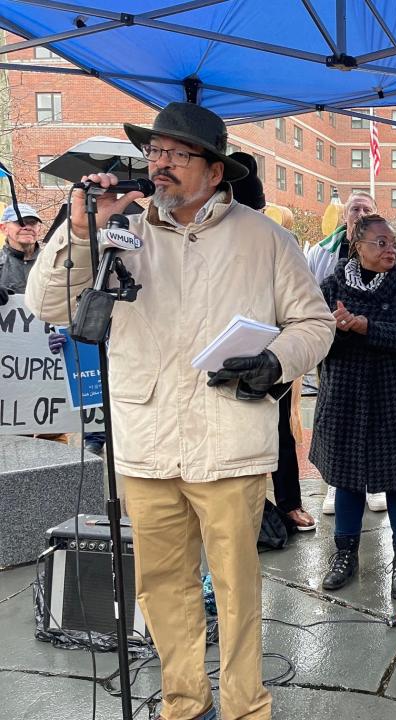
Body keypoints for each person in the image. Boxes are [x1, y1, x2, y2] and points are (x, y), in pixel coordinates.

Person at [26, 101, 336, 720]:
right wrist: (84, 231)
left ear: (215, 171)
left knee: (237, 588)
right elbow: (49, 305)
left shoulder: (266, 239)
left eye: (175, 154)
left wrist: (276, 360)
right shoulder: (122, 232)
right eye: (155, 153)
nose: (159, 164)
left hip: (228, 442)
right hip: (145, 442)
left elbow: (315, 323)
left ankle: (246, 706)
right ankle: (184, 704)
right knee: (162, 587)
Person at [309, 214, 396, 600]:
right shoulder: (331, 287)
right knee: (346, 481)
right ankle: (345, 555)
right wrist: (339, 330)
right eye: (381, 242)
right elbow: (316, 341)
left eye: (393, 242)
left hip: (394, 401)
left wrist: (367, 327)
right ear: (357, 245)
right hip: (344, 398)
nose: (390, 249)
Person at [229, 151, 316, 533]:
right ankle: (246, 509)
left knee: (280, 430)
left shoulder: (277, 241)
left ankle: (289, 503)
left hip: (269, 352)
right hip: (213, 359)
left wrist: (279, 353)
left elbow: (307, 314)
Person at [304, 189, 386, 516]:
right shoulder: (323, 253)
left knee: (375, 417)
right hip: (333, 350)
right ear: (345, 216)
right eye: (355, 209)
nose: (360, 213)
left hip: (373, 349)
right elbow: (307, 295)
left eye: (367, 208)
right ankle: (336, 484)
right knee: (335, 417)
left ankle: (373, 483)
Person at [0, 202, 42, 304]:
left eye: (32, 223)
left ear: (39, 229)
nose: (27, 227)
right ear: (4, 228)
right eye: (20, 222)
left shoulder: (53, 261)